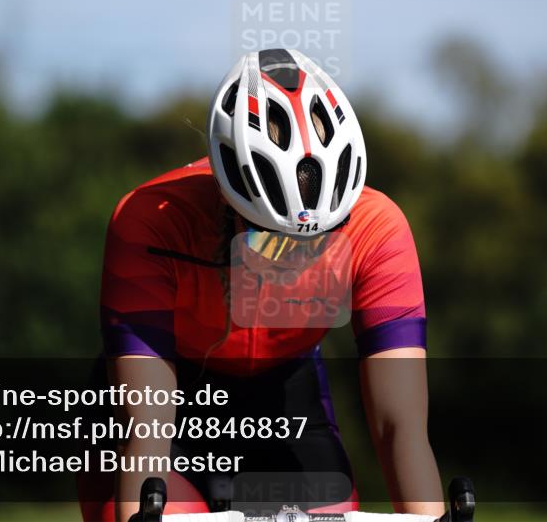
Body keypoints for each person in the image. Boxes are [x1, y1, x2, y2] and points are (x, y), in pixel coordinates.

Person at [79, 49, 443, 522]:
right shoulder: (150, 221)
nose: (293, 263)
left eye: (319, 244)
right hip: (169, 398)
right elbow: (146, 425)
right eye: (269, 240)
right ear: (227, 201)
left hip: (283, 397)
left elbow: (401, 428)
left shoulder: (379, 229)